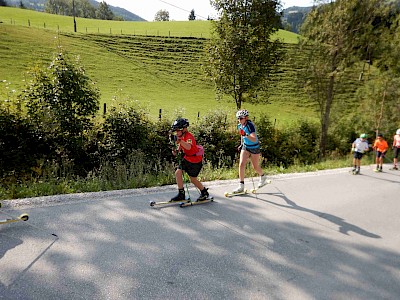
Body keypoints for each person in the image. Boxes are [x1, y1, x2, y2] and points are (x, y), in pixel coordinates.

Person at [170, 118, 209, 201]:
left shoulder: (189, 136)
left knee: (193, 179)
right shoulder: (181, 137)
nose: (176, 133)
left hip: (195, 160)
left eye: (178, 130)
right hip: (187, 158)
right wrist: (176, 151)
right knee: (178, 172)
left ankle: (204, 192)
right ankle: (181, 194)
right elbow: (180, 147)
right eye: (175, 131)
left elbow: (188, 146)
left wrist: (179, 141)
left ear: (183, 129)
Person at [233, 109, 268, 193]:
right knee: (241, 164)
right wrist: (241, 143)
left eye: (241, 118)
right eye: (238, 118)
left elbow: (253, 138)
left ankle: (262, 177)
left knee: (255, 167)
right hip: (246, 147)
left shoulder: (250, 125)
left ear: (246, 118)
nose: (239, 120)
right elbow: (242, 136)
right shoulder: (240, 125)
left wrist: (245, 135)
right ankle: (241, 186)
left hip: (254, 147)